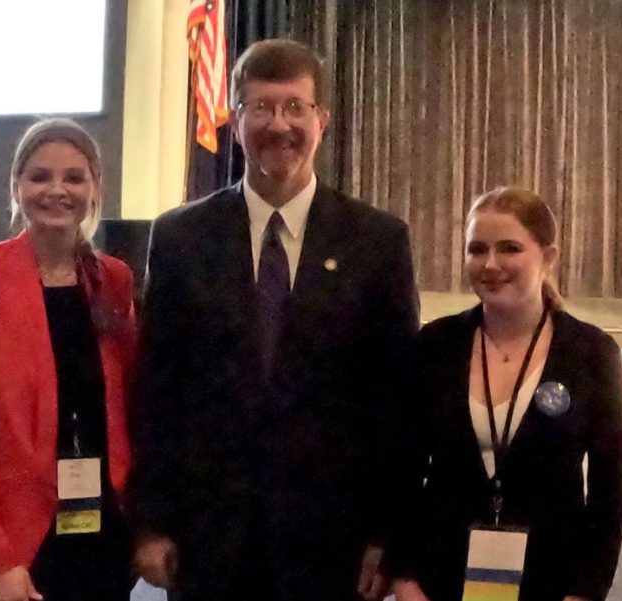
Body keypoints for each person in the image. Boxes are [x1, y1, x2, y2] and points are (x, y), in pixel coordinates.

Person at [129, 38, 420, 601]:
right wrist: (152, 521)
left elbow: (395, 403)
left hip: (331, 538)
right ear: (235, 120)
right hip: (209, 536)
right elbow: (158, 392)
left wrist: (390, 535)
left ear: (322, 120)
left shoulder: (379, 241)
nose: (277, 124)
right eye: (260, 107)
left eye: (294, 107)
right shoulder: (180, 238)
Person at [388, 186, 622, 601]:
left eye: (510, 248)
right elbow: (402, 472)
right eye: (477, 249)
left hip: (550, 579)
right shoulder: (435, 345)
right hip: (440, 576)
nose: (491, 264)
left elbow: (610, 492)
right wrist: (406, 577)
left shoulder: (591, 354)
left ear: (548, 256)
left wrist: (586, 592)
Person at [0, 118, 137, 601]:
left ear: (95, 187)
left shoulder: (114, 279)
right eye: (40, 176)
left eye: (74, 176)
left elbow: (131, 405)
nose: (56, 190)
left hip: (102, 524)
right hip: (18, 534)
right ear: (16, 186)